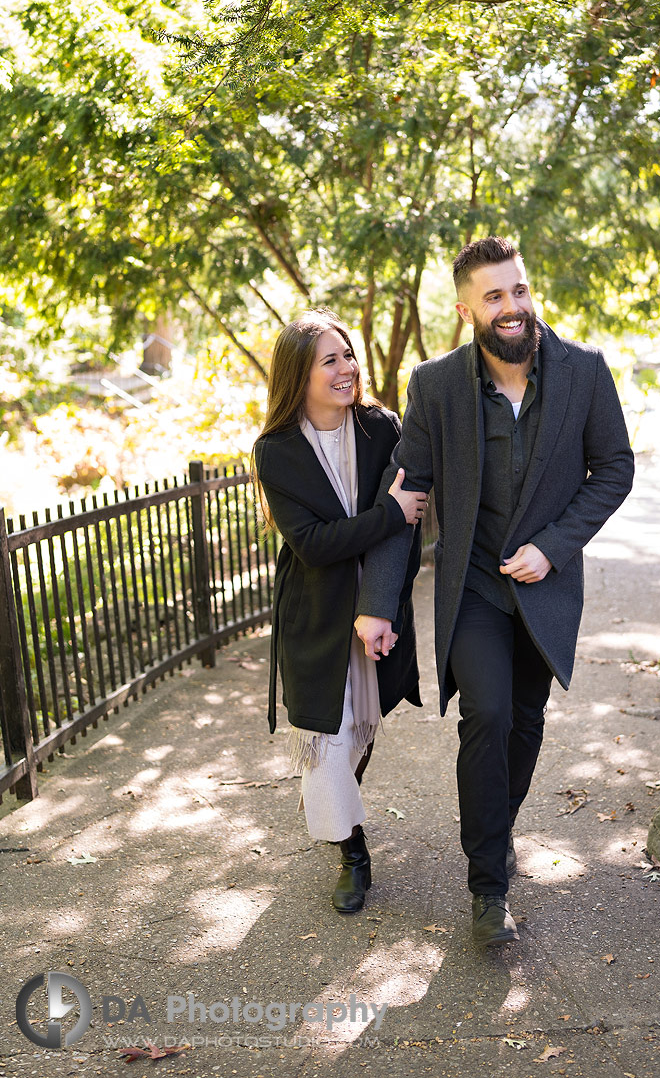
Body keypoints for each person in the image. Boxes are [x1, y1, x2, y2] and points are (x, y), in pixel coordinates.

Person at [354, 237, 635, 946]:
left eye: (518, 291)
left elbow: (613, 468)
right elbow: (407, 494)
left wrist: (554, 546)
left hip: (543, 586)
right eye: (494, 297)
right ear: (466, 309)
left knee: (525, 719)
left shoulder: (583, 372)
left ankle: (498, 830)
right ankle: (487, 886)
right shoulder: (437, 385)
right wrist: (378, 602)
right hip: (473, 586)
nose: (511, 307)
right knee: (486, 712)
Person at [251, 310, 427, 915]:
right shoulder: (275, 451)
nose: (348, 368)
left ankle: (338, 812)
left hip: (377, 606)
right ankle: (352, 852)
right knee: (326, 737)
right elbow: (315, 543)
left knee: (359, 729)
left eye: (348, 354)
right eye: (331, 359)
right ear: (299, 374)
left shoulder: (382, 429)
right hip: (317, 615)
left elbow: (409, 529)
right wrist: (390, 513)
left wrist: (387, 602)